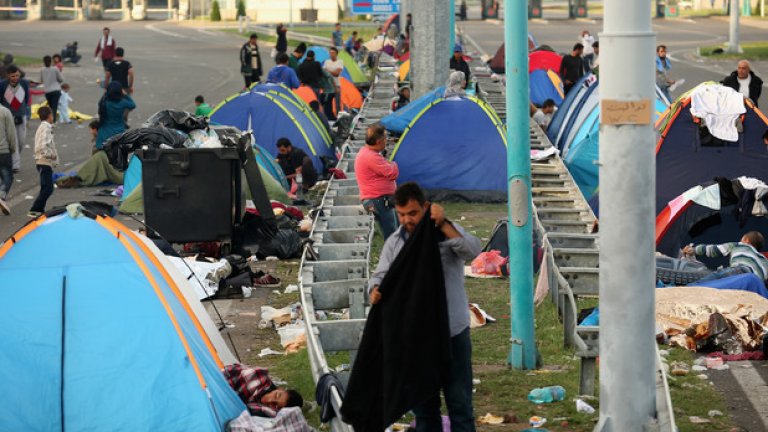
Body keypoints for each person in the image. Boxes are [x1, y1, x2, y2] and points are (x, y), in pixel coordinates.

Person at [368, 182, 482, 431]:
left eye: (413, 213)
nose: (407, 220)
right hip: (416, 339)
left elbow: (473, 250)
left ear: (426, 208)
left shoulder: (443, 232)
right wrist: (374, 290)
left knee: (460, 406)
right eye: (401, 214)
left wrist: (443, 223)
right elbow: (380, 276)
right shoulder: (395, 243)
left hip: (452, 333)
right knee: (424, 410)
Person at [355, 123, 399, 239]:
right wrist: (394, 164)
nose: (387, 141)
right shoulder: (372, 157)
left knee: (396, 230)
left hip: (379, 199)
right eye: (385, 138)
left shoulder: (367, 153)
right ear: (379, 141)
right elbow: (392, 173)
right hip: (378, 200)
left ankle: (397, 254)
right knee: (391, 234)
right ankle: (393, 256)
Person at [683, 231, 768, 284]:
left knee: (699, 285)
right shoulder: (764, 260)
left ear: (746, 240)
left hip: (739, 272)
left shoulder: (740, 245)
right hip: (757, 285)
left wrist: (694, 250)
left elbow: (714, 250)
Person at [223, 364, 303, 418]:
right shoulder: (258, 377)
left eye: (275, 404)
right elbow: (225, 376)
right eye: (276, 395)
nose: (270, 400)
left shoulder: (265, 411)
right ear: (280, 389)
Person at [29, 105, 58, 218]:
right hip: (44, 161)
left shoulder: (43, 127)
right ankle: (35, 209)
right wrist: (51, 155)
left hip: (42, 161)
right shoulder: (46, 128)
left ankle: (39, 209)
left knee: (45, 187)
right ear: (49, 116)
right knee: (48, 188)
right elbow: (42, 146)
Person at [0, 65, 30, 172]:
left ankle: (15, 158)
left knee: (21, 141)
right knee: (13, 141)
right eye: (13, 76)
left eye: (17, 75)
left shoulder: (24, 83)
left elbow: (27, 99)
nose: (15, 78)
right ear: (8, 75)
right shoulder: (2, 85)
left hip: (21, 115)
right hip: (8, 117)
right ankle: (15, 165)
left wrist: (25, 112)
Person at [95, 82, 136, 151]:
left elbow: (100, 103)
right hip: (119, 133)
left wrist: (105, 93)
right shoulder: (122, 102)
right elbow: (132, 105)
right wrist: (125, 95)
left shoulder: (105, 102)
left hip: (104, 133)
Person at [0, 104, 17, 215]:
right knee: (7, 176)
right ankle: (1, 195)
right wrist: (13, 148)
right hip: (3, 150)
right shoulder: (5, 111)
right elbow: (11, 132)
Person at [40, 55, 64, 123]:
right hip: (56, 89)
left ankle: (51, 119)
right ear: (51, 61)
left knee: (50, 106)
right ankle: (53, 120)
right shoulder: (55, 68)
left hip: (47, 91)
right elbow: (61, 79)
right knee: (54, 106)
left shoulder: (42, 70)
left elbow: (41, 80)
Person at [322, 47, 344, 120]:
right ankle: (329, 117)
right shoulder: (326, 61)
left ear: (336, 54)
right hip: (328, 86)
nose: (331, 54)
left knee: (337, 104)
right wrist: (331, 72)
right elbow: (324, 73)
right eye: (330, 53)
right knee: (328, 103)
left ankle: (338, 118)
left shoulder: (340, 62)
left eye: (333, 53)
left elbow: (337, 74)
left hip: (337, 85)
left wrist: (328, 71)